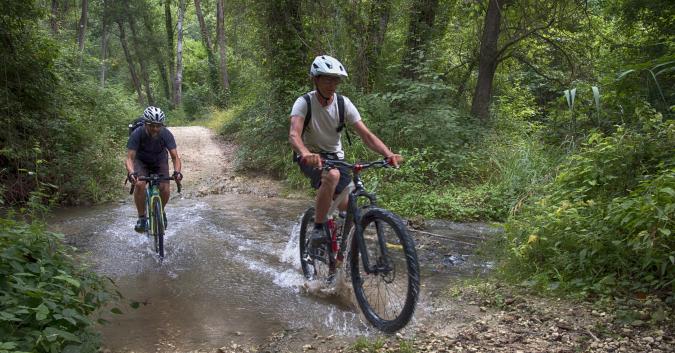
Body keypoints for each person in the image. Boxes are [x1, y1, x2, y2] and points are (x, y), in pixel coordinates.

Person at [289, 55, 403, 249]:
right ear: (315, 79)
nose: (332, 84)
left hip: (336, 157)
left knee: (349, 207)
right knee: (331, 175)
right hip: (311, 156)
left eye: (335, 80)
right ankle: (317, 228)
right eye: (327, 79)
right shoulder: (304, 102)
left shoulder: (343, 104)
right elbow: (294, 134)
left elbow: (366, 135)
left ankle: (342, 255)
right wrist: (305, 153)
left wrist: (388, 154)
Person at [125, 106, 183, 232]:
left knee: (165, 188)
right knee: (140, 184)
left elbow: (175, 157)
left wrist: (177, 172)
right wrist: (131, 173)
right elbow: (129, 158)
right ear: (146, 123)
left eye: (158, 125)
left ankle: (161, 212)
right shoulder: (137, 133)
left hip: (159, 161)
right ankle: (142, 218)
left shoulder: (166, 134)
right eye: (152, 125)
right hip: (141, 161)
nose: (155, 129)